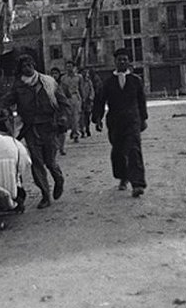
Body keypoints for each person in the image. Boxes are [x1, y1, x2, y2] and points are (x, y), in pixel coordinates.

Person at [0, 54, 71, 209]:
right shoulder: (19, 86)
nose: (27, 68)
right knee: (36, 162)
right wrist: (0, 108)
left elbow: (63, 102)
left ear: (34, 65)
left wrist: (62, 118)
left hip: (49, 126)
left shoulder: (48, 82)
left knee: (50, 161)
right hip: (30, 128)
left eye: (29, 65)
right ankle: (45, 195)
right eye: (24, 66)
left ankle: (59, 179)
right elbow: (8, 99)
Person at [92, 48, 148, 198]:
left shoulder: (136, 80)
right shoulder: (108, 82)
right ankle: (123, 177)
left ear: (129, 61)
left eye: (125, 59)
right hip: (115, 122)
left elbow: (141, 101)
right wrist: (97, 118)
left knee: (134, 150)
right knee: (118, 151)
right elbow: (100, 101)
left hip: (132, 120)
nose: (122, 62)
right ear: (115, 62)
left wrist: (143, 119)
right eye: (119, 59)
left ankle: (137, 184)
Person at [59, 60, 83, 143]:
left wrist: (82, 99)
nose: (69, 68)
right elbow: (61, 89)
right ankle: (72, 131)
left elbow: (81, 88)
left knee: (75, 117)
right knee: (68, 118)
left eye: (71, 66)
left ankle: (76, 134)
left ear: (74, 67)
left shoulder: (79, 77)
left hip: (75, 97)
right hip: (66, 98)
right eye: (67, 66)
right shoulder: (63, 78)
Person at [50, 67, 67, 155]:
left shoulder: (63, 84)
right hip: (52, 110)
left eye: (56, 73)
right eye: (52, 73)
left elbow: (67, 95)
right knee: (54, 130)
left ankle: (62, 147)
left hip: (61, 110)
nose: (54, 75)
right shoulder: (47, 85)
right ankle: (56, 147)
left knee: (62, 130)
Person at [79, 68, 95, 138]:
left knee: (87, 116)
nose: (85, 73)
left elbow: (92, 90)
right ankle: (82, 130)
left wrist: (91, 98)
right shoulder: (79, 81)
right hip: (80, 101)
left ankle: (87, 128)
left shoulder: (89, 81)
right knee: (81, 117)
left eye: (86, 72)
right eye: (84, 72)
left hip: (88, 101)